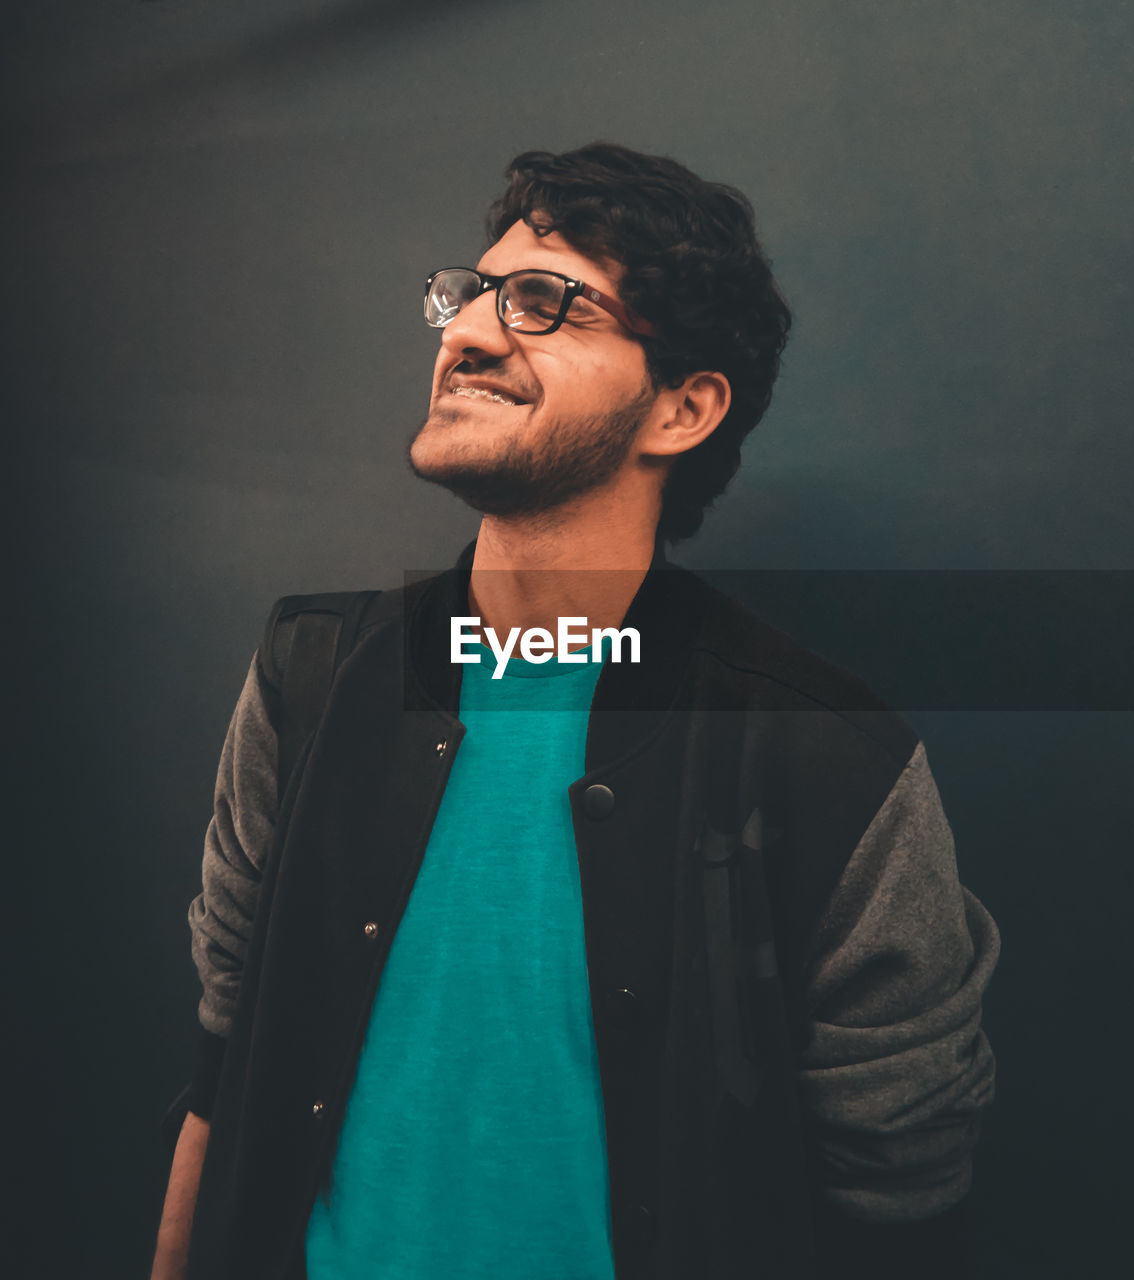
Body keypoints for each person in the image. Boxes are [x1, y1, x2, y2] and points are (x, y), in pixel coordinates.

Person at [151, 142, 999, 1280]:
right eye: (472, 294)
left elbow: (901, 1202)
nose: (469, 332)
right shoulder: (308, 675)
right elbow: (223, 1066)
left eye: (548, 303)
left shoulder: (829, 756)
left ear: (682, 409)